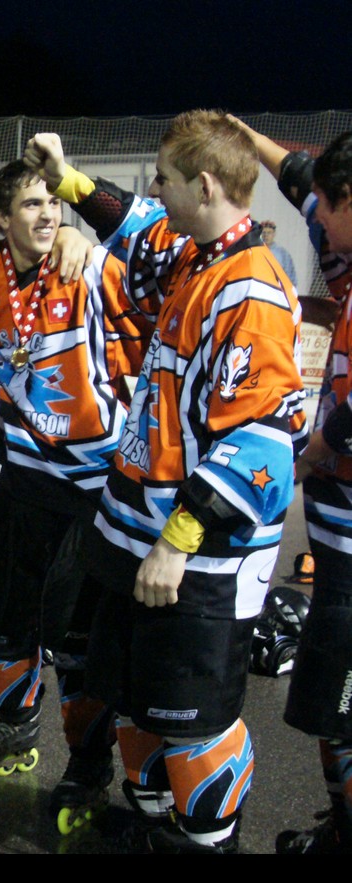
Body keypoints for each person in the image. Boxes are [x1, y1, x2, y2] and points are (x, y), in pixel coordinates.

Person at [28, 112, 306, 852]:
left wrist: (177, 542)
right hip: (135, 532)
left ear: (204, 186)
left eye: (165, 179)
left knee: (193, 720)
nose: (155, 191)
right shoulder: (195, 253)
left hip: (195, 560)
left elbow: (262, 443)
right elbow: (134, 224)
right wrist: (67, 181)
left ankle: (207, 843)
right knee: (137, 701)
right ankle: (154, 825)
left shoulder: (251, 290)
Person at [0, 162, 143, 833]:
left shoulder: (87, 267)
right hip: (23, 478)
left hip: (92, 488)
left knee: (75, 643)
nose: (47, 215)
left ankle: (89, 765)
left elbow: (152, 274)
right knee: (0, 623)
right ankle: (16, 725)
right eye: (32, 205)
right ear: (0, 218)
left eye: (52, 205)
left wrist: (85, 237)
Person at [234, 120, 352, 854]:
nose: (321, 227)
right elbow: (305, 179)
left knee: (335, 703)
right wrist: (244, 137)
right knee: (329, 701)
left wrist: (310, 454)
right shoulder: (349, 258)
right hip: (338, 541)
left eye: (330, 211)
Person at [259, 220, 299, 294]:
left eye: (269, 233)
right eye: (264, 233)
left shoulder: (282, 254)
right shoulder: (256, 251)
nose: (266, 235)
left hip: (277, 291)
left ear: (274, 234)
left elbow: (289, 275)